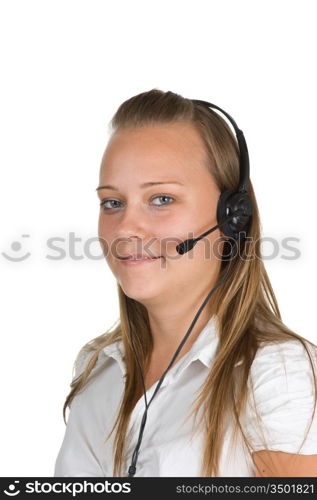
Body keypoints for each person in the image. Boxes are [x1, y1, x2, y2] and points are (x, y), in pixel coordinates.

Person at [54, 89, 317, 477]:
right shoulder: (98, 368)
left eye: (161, 199)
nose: (126, 227)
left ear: (232, 217)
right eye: (112, 202)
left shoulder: (277, 372)